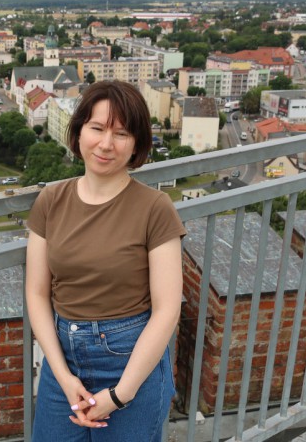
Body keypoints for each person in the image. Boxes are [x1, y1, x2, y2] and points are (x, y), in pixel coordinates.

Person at [26, 81, 186, 441]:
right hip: (62, 363)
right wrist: (63, 376)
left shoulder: (154, 208)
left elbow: (166, 310)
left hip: (131, 364)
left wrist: (120, 394)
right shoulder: (51, 201)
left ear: (136, 145)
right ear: (80, 129)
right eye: (96, 128)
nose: (106, 144)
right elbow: (37, 294)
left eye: (121, 134)